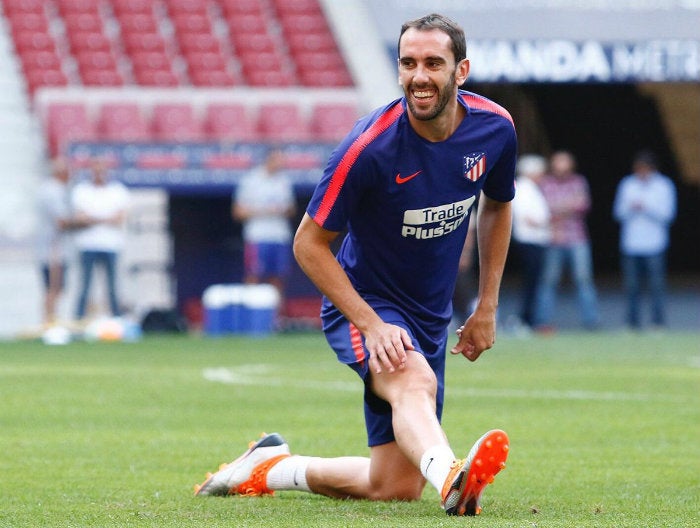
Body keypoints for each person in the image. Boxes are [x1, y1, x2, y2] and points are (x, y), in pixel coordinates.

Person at [195, 13, 516, 517]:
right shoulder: (367, 149)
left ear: (462, 71)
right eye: (408, 63)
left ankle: (269, 469)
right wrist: (371, 322)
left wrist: (487, 304)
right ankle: (453, 475)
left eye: (434, 63)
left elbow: (497, 205)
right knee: (414, 381)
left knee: (392, 484)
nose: (419, 76)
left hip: (431, 314)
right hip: (365, 305)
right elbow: (308, 244)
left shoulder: (496, 129)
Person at [535, 150, 599, 331]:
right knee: (548, 281)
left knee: (584, 280)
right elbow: (544, 207)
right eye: (557, 164)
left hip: (577, 238)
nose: (560, 168)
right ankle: (542, 321)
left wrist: (558, 209)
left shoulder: (579, 181)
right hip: (553, 238)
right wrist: (567, 206)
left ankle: (591, 321)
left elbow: (583, 205)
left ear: (571, 166)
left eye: (564, 164)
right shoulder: (545, 183)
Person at [613, 150, 676, 330]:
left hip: (654, 244)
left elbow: (668, 215)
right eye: (638, 168)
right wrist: (632, 208)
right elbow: (618, 213)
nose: (640, 172)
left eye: (644, 168)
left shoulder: (664, 185)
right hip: (631, 244)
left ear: (652, 168)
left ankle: (658, 322)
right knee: (631, 286)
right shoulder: (627, 184)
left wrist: (646, 207)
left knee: (656, 286)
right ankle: (632, 323)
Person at [232, 148, 296, 299]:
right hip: (257, 236)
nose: (281, 163)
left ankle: (275, 318)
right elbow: (238, 212)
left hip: (279, 236)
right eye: (278, 159)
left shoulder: (284, 181)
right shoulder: (251, 180)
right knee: (254, 274)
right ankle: (251, 314)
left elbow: (291, 209)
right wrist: (265, 210)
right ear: (269, 159)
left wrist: (282, 210)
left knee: (278, 277)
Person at [71, 158, 130, 320]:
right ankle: (79, 318)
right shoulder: (81, 190)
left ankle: (117, 318)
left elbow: (119, 218)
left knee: (112, 286)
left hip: (111, 245)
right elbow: (80, 217)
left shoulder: (118, 191)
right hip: (87, 245)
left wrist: (94, 219)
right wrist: (105, 219)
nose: (99, 174)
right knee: (85, 285)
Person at [510, 154, 550, 329]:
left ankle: (530, 318)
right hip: (529, 240)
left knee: (534, 283)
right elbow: (526, 216)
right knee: (530, 283)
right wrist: (546, 222)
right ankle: (525, 319)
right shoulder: (523, 188)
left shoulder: (532, 188)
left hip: (537, 240)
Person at [36, 157, 72, 325]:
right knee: (53, 287)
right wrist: (85, 220)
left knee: (55, 288)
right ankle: (48, 322)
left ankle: (50, 320)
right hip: (53, 247)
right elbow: (61, 221)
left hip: (51, 246)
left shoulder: (49, 189)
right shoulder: (54, 191)